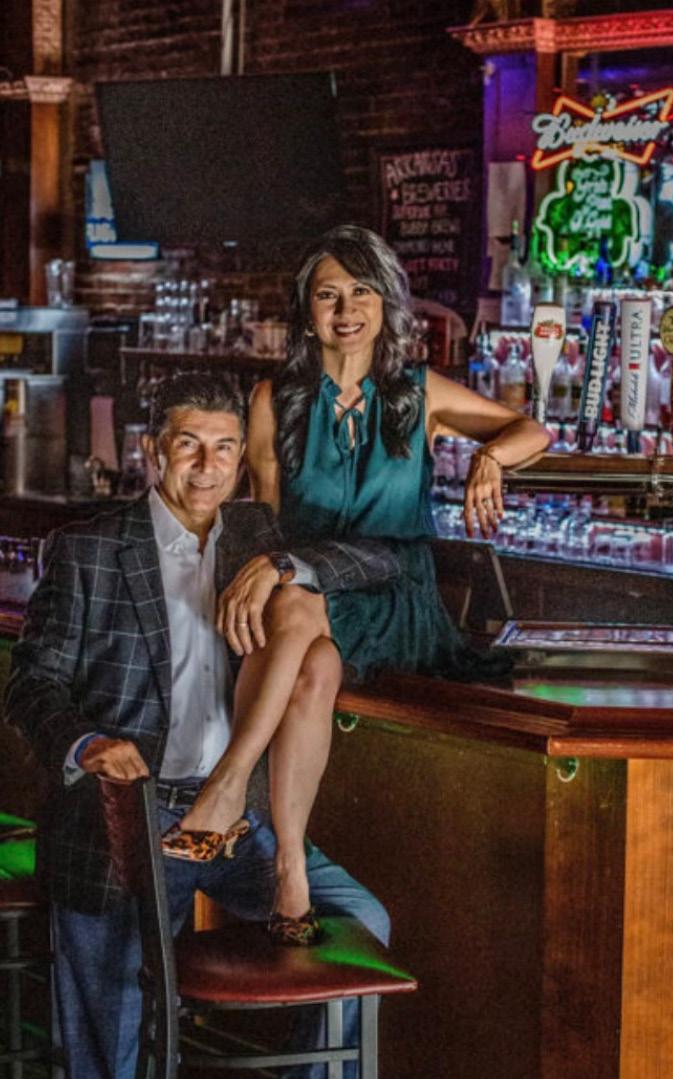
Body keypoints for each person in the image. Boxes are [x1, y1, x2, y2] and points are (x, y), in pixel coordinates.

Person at [4, 371, 397, 1079]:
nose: (207, 465)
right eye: (189, 445)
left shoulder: (256, 534)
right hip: (125, 824)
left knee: (362, 925)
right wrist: (88, 745)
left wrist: (283, 564)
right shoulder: (88, 549)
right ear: (154, 451)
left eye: (224, 447)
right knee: (112, 1054)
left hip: (240, 828)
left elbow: (381, 558)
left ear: (242, 457)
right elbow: (31, 684)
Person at [167, 224, 552, 944]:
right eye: (328, 295)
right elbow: (266, 522)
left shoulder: (418, 393)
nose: (346, 310)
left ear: (385, 304)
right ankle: (290, 868)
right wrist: (248, 580)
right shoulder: (273, 399)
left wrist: (490, 458)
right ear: (306, 309)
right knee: (313, 664)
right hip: (302, 601)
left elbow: (534, 431)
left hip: (393, 595)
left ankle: (228, 785)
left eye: (361, 292)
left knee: (296, 598)